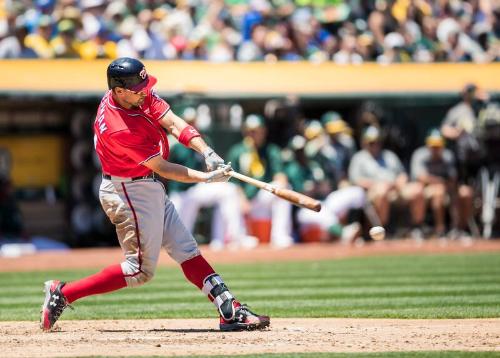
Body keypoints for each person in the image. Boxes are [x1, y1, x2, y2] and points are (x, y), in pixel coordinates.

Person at [40, 57, 269, 332]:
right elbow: (163, 167)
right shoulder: (119, 127)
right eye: (138, 87)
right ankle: (63, 293)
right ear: (119, 90)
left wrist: (206, 151)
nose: (145, 91)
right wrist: (207, 178)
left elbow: (172, 122)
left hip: (145, 185)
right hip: (128, 191)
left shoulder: (132, 95)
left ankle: (229, 309)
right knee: (139, 271)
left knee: (187, 250)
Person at [168, 108, 258, 251]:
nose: (192, 124)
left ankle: (228, 238)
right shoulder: (172, 142)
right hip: (180, 192)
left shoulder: (202, 140)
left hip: (197, 187)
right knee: (176, 241)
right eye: (188, 121)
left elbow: (206, 167)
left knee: (229, 191)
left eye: (193, 121)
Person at [227, 114, 293, 248]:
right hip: (242, 198)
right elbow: (232, 181)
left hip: (261, 198)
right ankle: (238, 237)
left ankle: (280, 236)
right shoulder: (237, 151)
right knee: (227, 193)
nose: (252, 134)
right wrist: (242, 199)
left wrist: (282, 183)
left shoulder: (271, 150)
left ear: (264, 131)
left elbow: (280, 175)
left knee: (283, 187)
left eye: (256, 130)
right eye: (250, 130)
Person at [348, 126, 426, 238]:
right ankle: (384, 230)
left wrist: (400, 183)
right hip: (373, 191)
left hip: (395, 188)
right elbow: (356, 180)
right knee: (382, 192)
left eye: (377, 142)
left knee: (417, 189)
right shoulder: (359, 158)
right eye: (371, 142)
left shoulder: (389, 155)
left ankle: (416, 228)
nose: (375, 145)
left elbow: (402, 173)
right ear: (365, 142)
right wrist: (378, 185)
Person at [410, 130, 473, 238]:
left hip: (446, 188)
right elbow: (421, 178)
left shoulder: (448, 156)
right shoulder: (420, 154)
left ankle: (459, 229)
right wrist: (441, 182)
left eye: (438, 146)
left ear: (442, 145)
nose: (435, 149)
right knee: (438, 191)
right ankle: (439, 230)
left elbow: (453, 179)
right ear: (428, 145)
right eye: (433, 146)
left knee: (465, 192)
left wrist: (446, 185)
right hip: (426, 189)